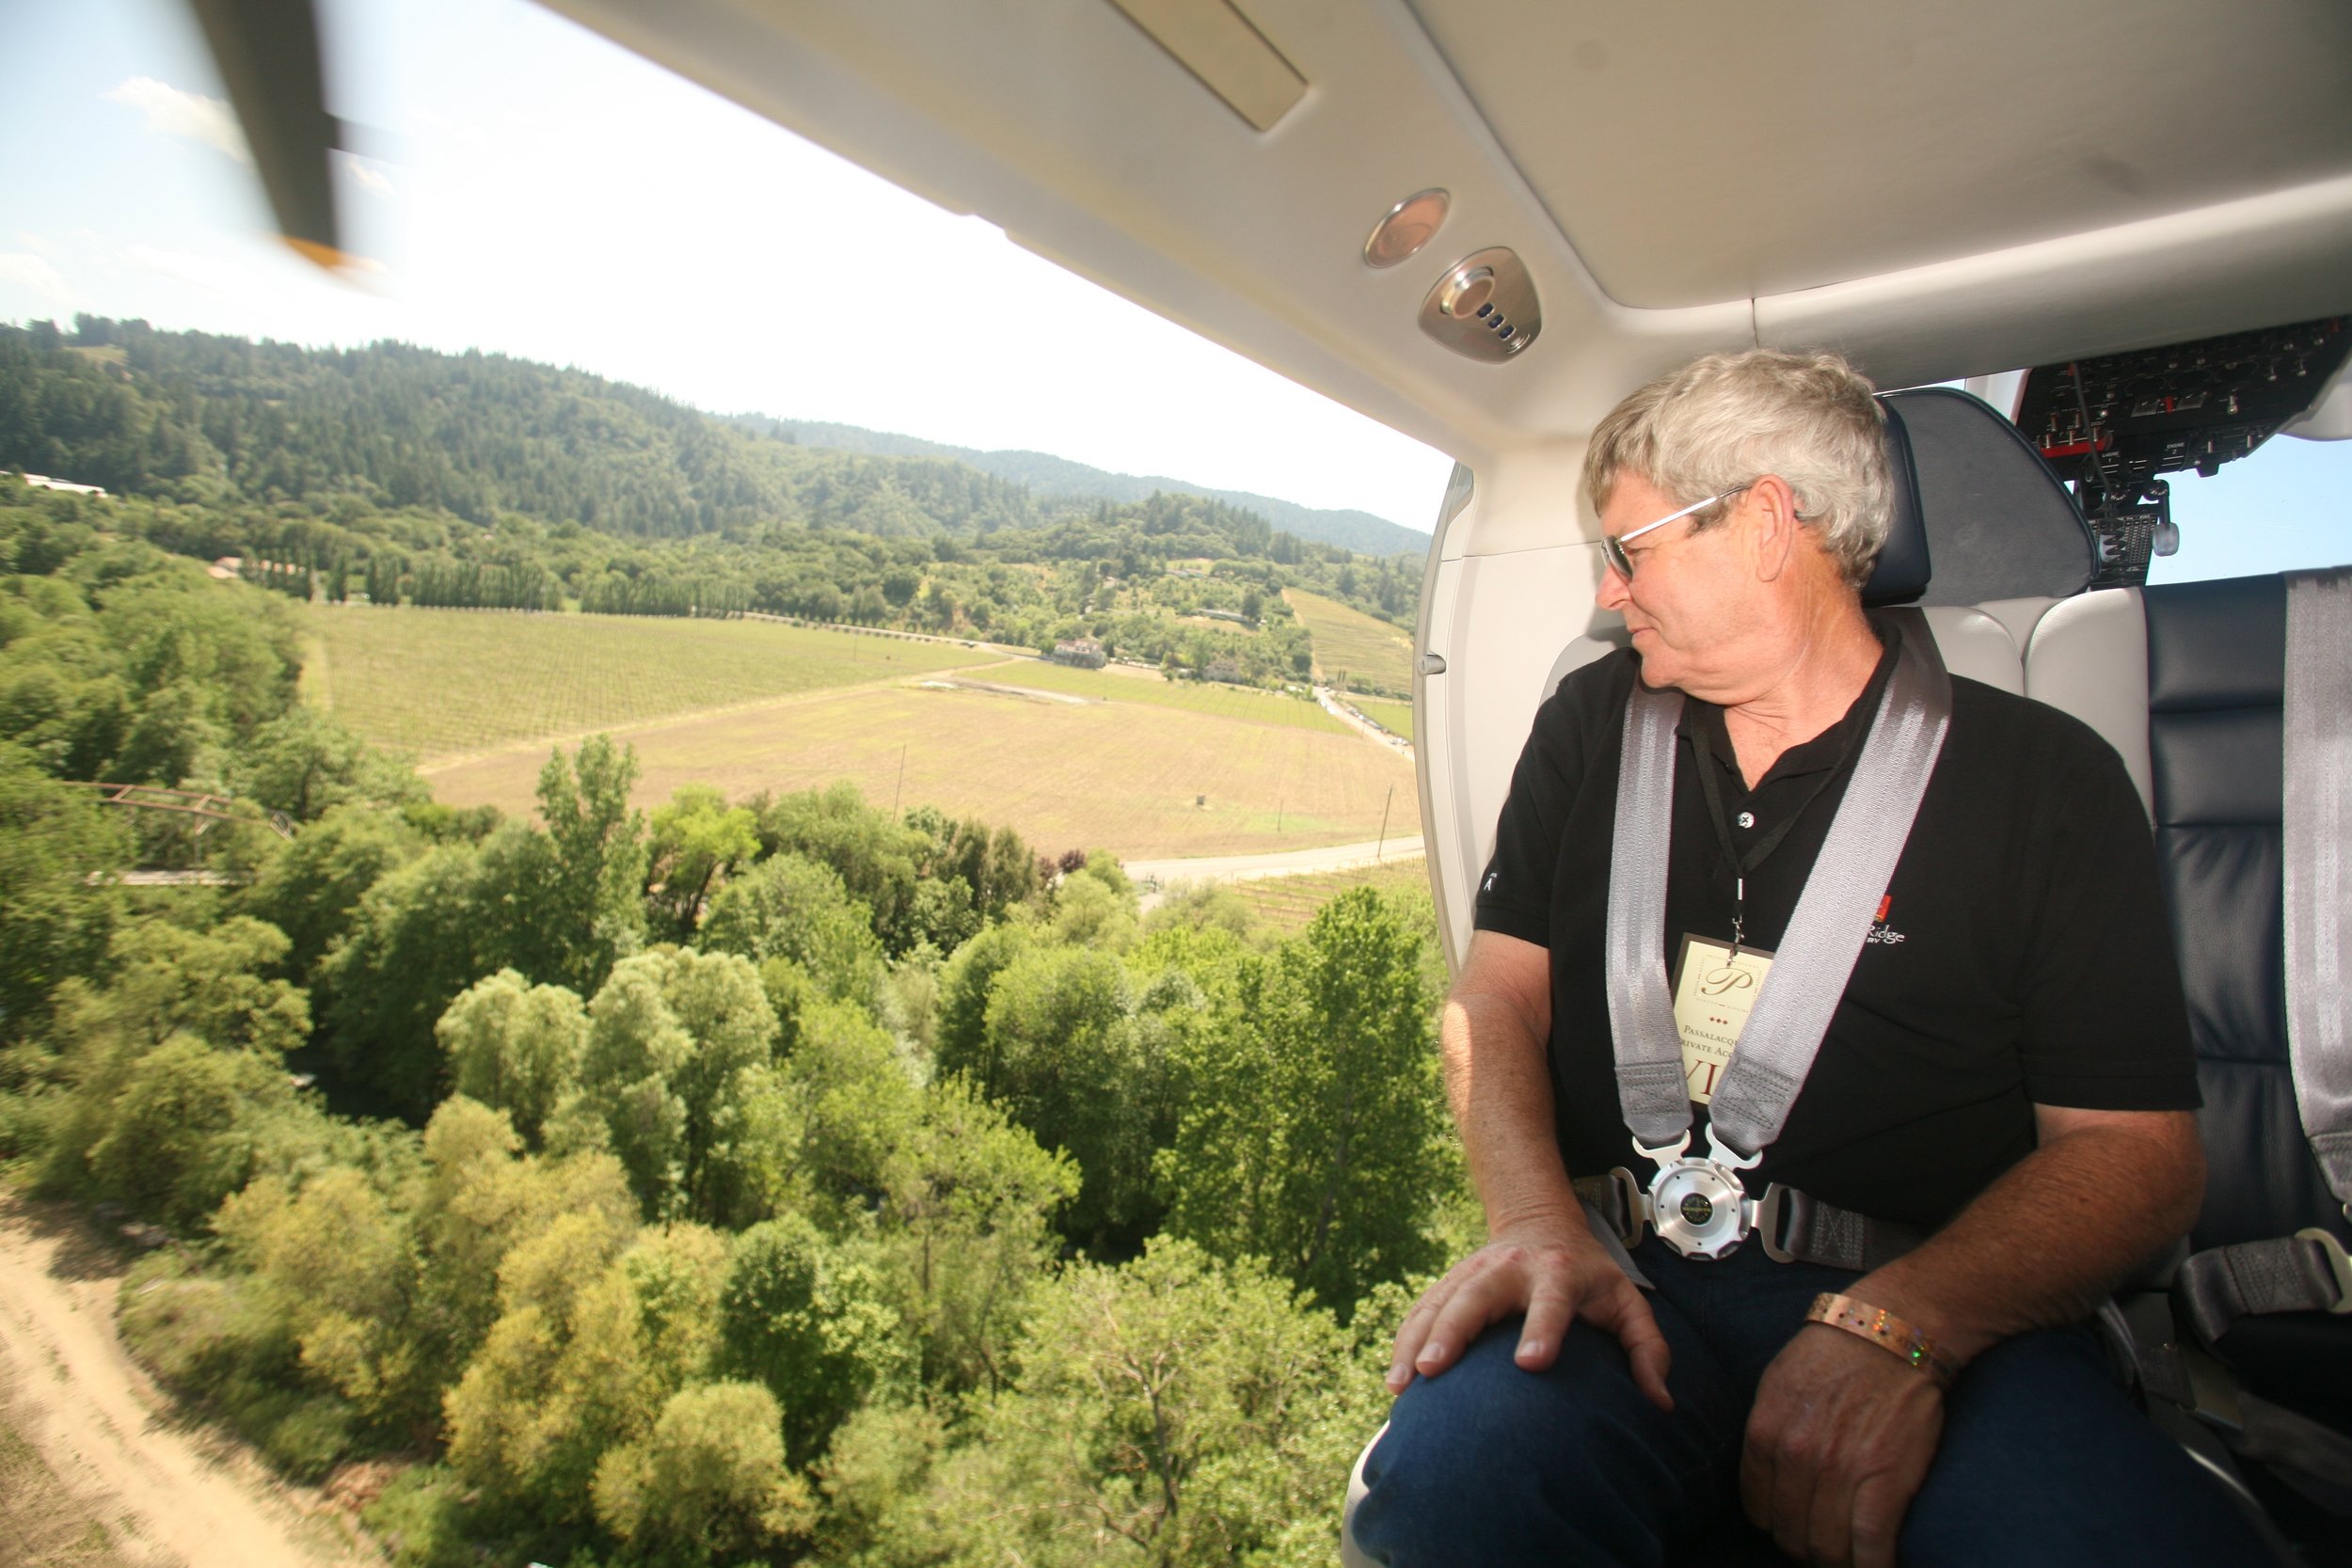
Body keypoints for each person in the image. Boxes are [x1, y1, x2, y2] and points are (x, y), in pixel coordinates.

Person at [1347, 350, 2269, 1568]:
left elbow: (2138, 1162)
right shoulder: (1588, 728)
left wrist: (1911, 1322)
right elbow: (1494, 999)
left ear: (1769, 525)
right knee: (1450, 1493)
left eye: (1631, 550)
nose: (1610, 594)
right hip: (1624, 1280)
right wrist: (1532, 1220)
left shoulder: (2043, 781)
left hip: (1946, 1306)